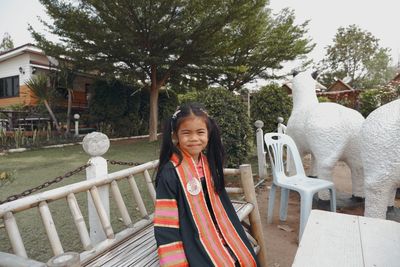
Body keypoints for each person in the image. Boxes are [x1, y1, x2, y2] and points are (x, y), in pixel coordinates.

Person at [154, 103, 259, 267]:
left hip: (215, 227)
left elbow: (221, 205)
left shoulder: (207, 163)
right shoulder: (170, 173)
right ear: (175, 136)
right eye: (186, 133)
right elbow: (166, 222)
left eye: (200, 132)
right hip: (190, 234)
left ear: (208, 134)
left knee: (244, 257)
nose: (194, 138)